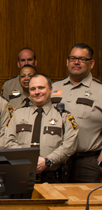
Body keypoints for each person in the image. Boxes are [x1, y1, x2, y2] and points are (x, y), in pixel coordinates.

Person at [5, 74, 78, 183]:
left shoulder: (63, 116)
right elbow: (8, 141)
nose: (37, 92)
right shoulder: (17, 114)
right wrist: (29, 160)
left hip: (53, 177)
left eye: (41, 88)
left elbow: (70, 145)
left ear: (51, 89)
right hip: (21, 177)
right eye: (33, 89)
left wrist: (48, 161)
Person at [52, 43, 102, 183]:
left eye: (82, 59)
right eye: (73, 58)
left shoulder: (100, 91)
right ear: (67, 61)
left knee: (85, 203)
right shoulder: (54, 87)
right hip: (55, 161)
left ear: (91, 63)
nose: (76, 62)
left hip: (87, 163)